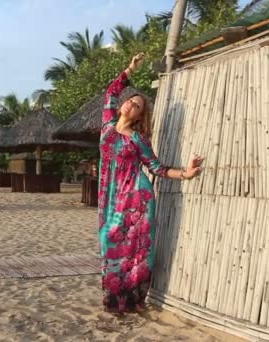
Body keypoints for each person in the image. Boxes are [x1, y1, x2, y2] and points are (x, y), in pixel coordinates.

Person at [98, 52, 204, 314]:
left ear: (138, 116)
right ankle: (115, 297)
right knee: (108, 241)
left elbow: (157, 168)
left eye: (137, 106)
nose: (131, 105)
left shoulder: (137, 138)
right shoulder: (107, 125)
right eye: (131, 101)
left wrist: (186, 174)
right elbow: (112, 90)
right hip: (110, 197)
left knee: (132, 251)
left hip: (136, 197)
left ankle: (130, 300)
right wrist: (130, 70)